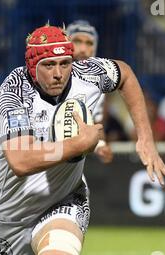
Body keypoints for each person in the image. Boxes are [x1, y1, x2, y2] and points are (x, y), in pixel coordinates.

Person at [0, 24, 165, 255]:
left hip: (62, 200)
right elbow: (21, 162)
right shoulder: (15, 91)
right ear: (32, 67)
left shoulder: (87, 73)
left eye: (64, 63)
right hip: (11, 213)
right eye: (48, 65)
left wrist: (145, 137)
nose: (58, 73)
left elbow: (125, 74)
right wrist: (79, 144)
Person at [66, 20, 112, 163]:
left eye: (89, 43)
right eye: (77, 41)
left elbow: (95, 125)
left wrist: (102, 146)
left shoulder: (97, 84)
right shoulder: (49, 74)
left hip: (70, 162)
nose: (83, 49)